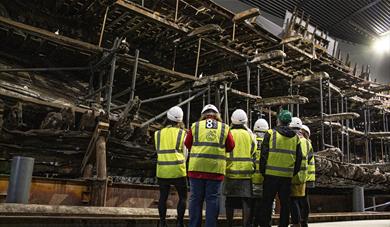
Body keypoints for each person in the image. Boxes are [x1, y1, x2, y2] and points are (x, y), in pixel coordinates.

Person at [185, 104, 235, 227]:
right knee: (212, 200)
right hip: (215, 170)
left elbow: (187, 143)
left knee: (196, 199)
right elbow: (231, 146)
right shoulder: (224, 128)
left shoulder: (196, 126)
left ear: (203, 115)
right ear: (217, 115)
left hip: (196, 169)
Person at [259, 110, 303, 227]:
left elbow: (263, 155)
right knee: (285, 204)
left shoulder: (270, 134)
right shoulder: (296, 138)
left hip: (270, 176)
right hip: (286, 177)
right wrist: (292, 173)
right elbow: (299, 159)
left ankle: (265, 225)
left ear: (278, 120)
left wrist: (263, 171)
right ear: (289, 122)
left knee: (267, 203)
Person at [154, 106, 188, 227]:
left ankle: (162, 222)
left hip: (162, 170)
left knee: (163, 197)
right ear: (180, 120)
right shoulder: (182, 133)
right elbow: (185, 154)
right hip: (178, 170)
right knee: (183, 197)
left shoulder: (157, 134)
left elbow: (158, 151)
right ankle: (179, 223)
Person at [224, 109, 257, 227]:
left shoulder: (228, 133)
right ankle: (246, 225)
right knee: (246, 200)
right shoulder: (250, 135)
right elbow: (253, 151)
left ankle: (229, 224)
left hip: (230, 171)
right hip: (246, 172)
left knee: (229, 201)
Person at [289, 117, 309, 227]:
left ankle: (296, 223)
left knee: (293, 200)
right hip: (303, 176)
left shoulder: (294, 140)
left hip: (294, 174)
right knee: (301, 200)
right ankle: (303, 222)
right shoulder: (306, 142)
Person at [251, 118, 269, 227]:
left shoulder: (251, 139)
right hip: (264, 179)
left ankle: (252, 223)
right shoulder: (269, 141)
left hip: (251, 178)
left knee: (252, 205)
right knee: (264, 205)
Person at [300, 125, 315, 227]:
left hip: (306, 177)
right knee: (304, 200)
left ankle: (304, 221)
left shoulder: (305, 143)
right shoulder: (308, 144)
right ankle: (304, 221)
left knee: (303, 200)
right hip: (308, 177)